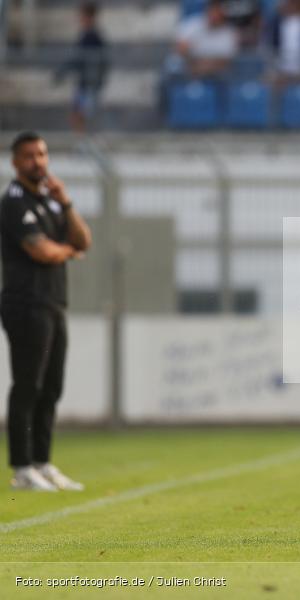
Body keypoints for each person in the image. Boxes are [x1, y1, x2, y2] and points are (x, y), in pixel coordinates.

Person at [1, 132, 92, 491]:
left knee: (52, 386)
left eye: (41, 154)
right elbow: (42, 252)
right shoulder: (14, 202)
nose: (37, 161)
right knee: (28, 385)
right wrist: (67, 251)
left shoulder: (51, 202)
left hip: (54, 302)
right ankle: (22, 467)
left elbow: (84, 240)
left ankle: (43, 462)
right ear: (15, 162)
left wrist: (66, 203)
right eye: (29, 156)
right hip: (26, 303)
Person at [53, 2, 108, 132]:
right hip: (84, 83)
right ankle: (83, 144)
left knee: (82, 116)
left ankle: (86, 144)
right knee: (78, 116)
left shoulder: (94, 37)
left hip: (89, 84)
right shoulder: (87, 35)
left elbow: (88, 59)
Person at [172, 0, 239, 77]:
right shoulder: (191, 25)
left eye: (218, 12)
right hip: (187, 70)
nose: (215, 15)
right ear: (207, 10)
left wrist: (201, 67)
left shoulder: (230, 33)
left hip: (217, 75)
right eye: (213, 10)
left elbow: (225, 61)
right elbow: (181, 50)